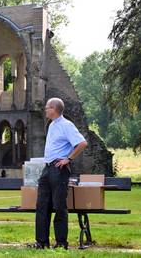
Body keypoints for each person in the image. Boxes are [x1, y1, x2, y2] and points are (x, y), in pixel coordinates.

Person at [32, 98, 88, 249]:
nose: (45, 110)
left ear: (54, 109)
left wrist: (68, 159)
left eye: (47, 108)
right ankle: (41, 242)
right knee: (42, 205)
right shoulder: (51, 125)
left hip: (59, 169)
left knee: (59, 206)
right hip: (47, 168)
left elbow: (82, 143)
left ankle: (61, 243)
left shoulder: (66, 125)